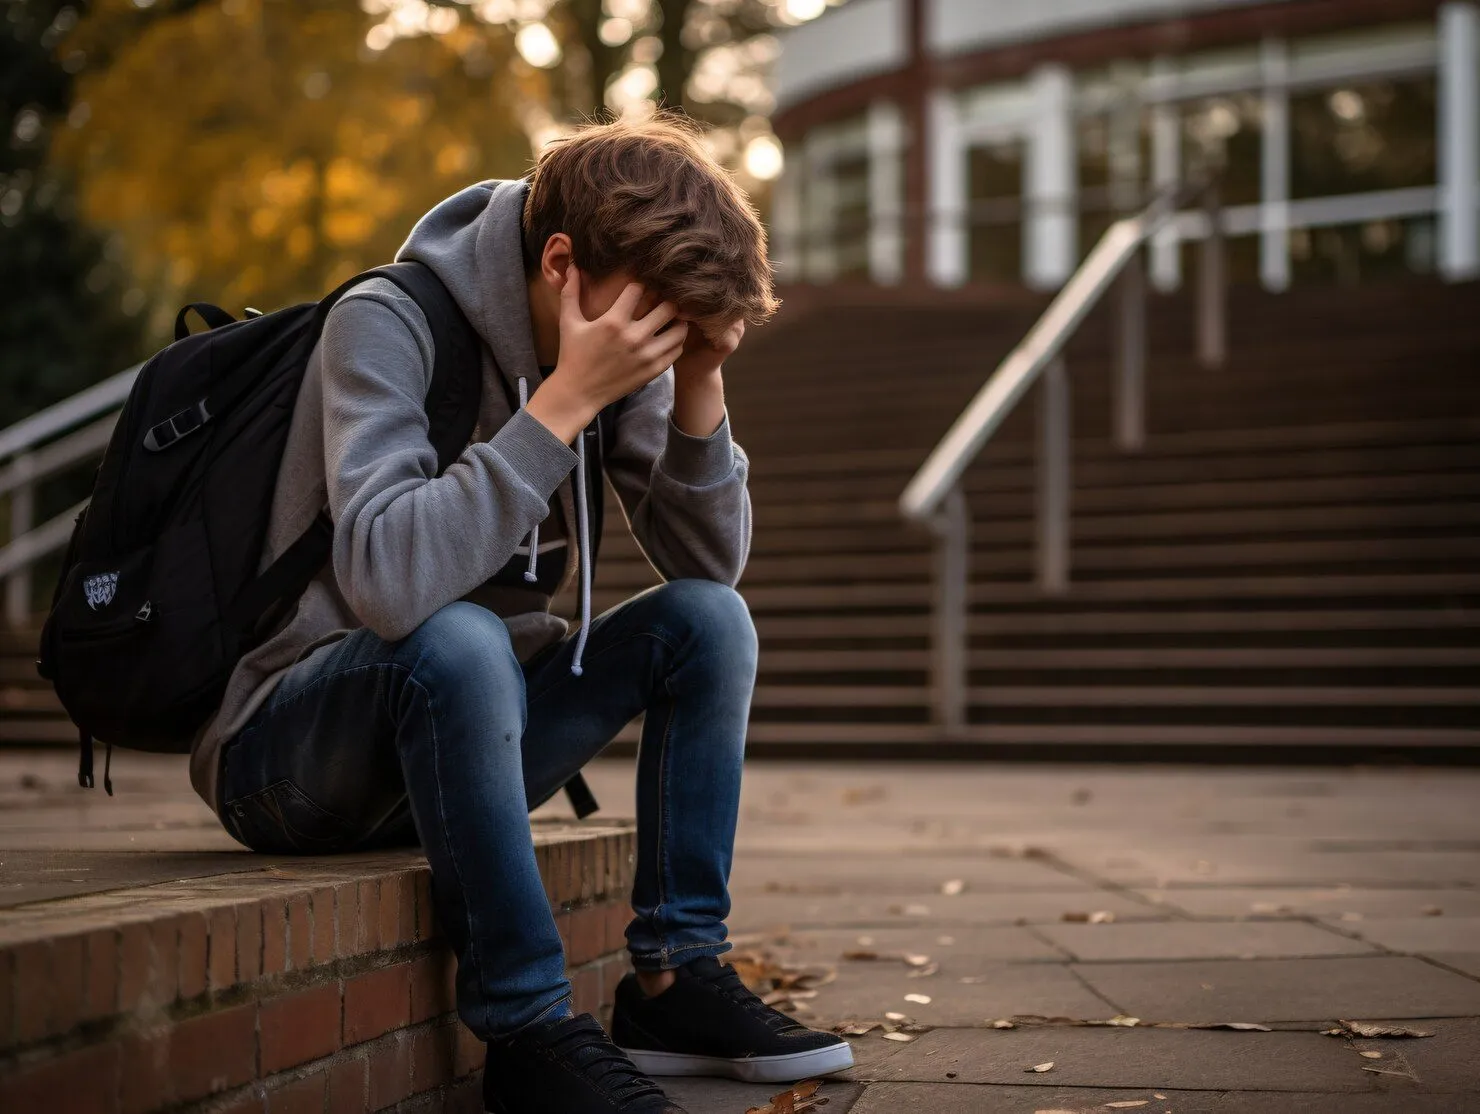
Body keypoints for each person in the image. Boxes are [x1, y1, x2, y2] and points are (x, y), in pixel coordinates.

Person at [189, 114, 854, 1112]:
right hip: (291, 757)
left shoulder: (613, 343)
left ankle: (675, 978)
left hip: (464, 743)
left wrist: (698, 383)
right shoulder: (388, 318)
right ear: (560, 265)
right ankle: (528, 1026)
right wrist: (560, 407)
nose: (653, 349)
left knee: (708, 623)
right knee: (454, 636)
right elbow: (387, 580)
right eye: (655, 326)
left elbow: (710, 565)